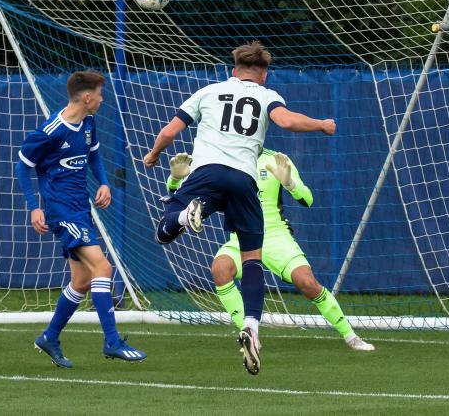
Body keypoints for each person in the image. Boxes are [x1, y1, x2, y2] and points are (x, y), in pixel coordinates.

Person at [142, 40, 335, 375]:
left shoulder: (209, 91)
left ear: (234, 71)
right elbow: (287, 122)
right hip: (245, 182)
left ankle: (188, 214)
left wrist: (154, 154)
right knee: (252, 259)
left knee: (164, 231)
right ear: (263, 74)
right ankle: (252, 329)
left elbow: (171, 130)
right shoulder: (267, 96)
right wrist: (321, 124)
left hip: (207, 174)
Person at [166, 150, 375, 352]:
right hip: (241, 237)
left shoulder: (276, 159)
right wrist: (175, 180)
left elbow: (307, 199)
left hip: (275, 236)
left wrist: (290, 183)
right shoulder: (221, 162)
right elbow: (181, 199)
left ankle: (351, 336)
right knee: (220, 268)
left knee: (308, 283)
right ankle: (249, 337)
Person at [15, 70, 146, 368]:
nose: (102, 99)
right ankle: (112, 341)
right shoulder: (50, 131)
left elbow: (94, 156)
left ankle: (50, 336)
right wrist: (34, 206)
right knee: (103, 267)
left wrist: (103, 183)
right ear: (87, 97)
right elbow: (23, 167)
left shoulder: (88, 123)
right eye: (100, 94)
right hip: (61, 210)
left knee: (83, 280)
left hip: (81, 208)